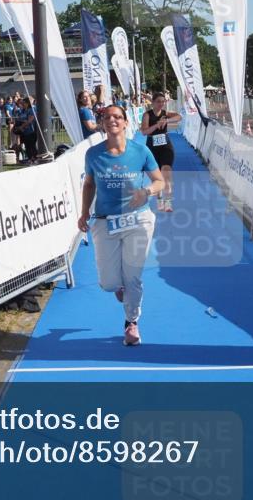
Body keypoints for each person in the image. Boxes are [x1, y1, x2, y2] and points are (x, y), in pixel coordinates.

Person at [78, 104, 165, 346]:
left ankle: (131, 323)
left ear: (126, 123)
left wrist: (145, 191)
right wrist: (84, 213)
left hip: (138, 219)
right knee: (108, 283)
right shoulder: (93, 154)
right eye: (107, 117)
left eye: (118, 117)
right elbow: (89, 184)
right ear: (103, 123)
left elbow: (159, 182)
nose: (113, 120)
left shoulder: (140, 151)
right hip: (106, 222)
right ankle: (119, 287)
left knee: (133, 276)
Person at [140, 92, 182, 212]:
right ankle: (159, 199)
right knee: (157, 177)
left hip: (166, 147)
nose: (161, 104)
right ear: (152, 102)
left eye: (163, 102)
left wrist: (167, 121)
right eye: (158, 101)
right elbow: (144, 132)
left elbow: (179, 117)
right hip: (152, 147)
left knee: (167, 174)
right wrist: (156, 125)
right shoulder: (147, 115)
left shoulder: (165, 114)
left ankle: (168, 202)